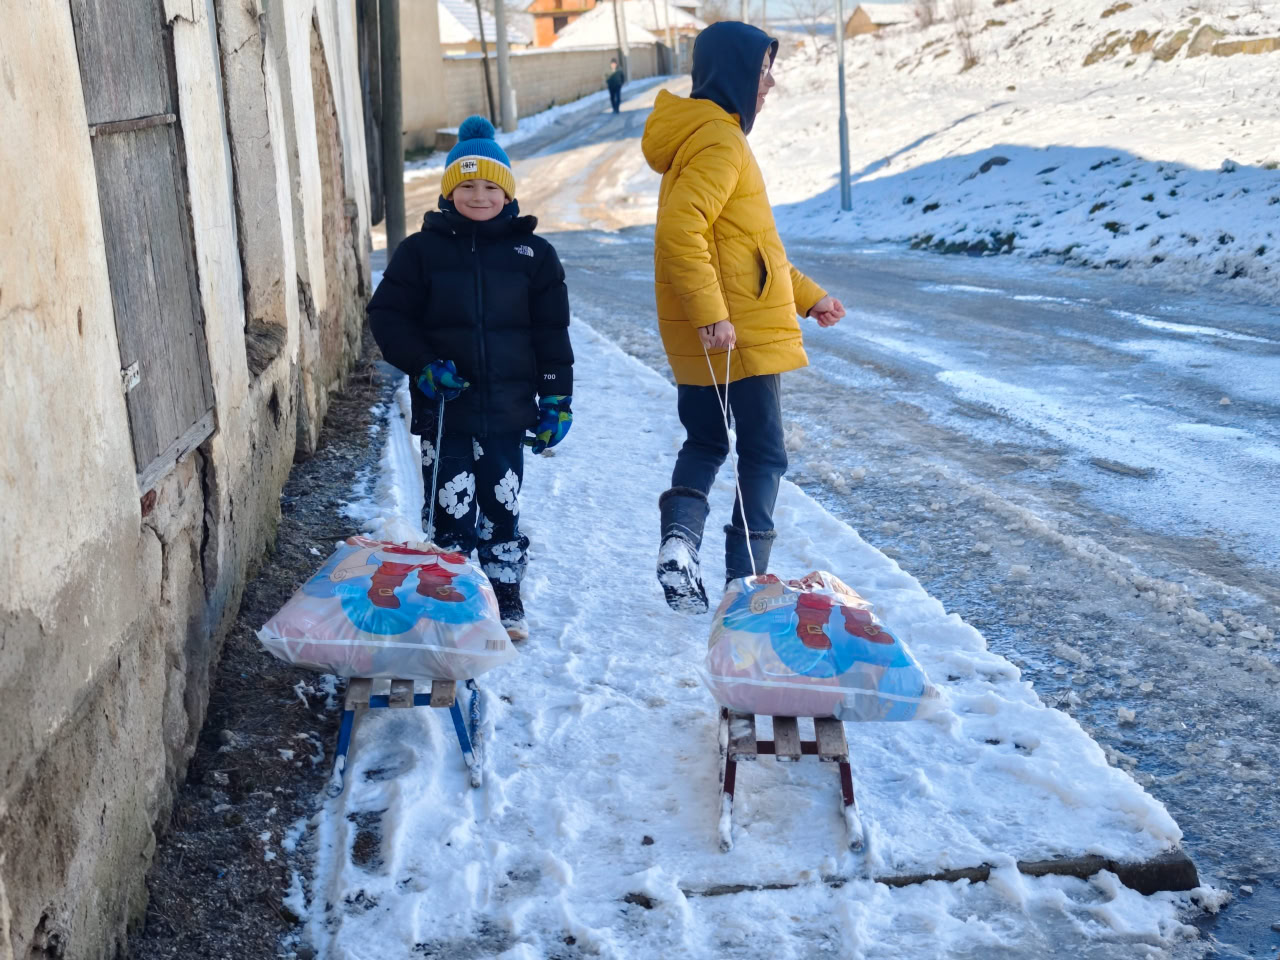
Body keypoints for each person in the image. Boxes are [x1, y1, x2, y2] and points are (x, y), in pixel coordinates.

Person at [641, 22, 846, 613]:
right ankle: (747, 580)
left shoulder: (696, 136)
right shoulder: (722, 141)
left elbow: (749, 248)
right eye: (762, 72)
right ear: (732, 74)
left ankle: (681, 543)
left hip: (709, 329)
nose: (770, 84)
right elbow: (681, 231)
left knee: (706, 441)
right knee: (763, 454)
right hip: (738, 334)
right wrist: (714, 316)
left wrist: (808, 296)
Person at [367, 115, 574, 640]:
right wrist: (422, 365)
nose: (479, 196)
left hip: (508, 411)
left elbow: (552, 333)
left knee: (502, 507)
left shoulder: (535, 257)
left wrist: (556, 399)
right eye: (466, 186)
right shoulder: (421, 252)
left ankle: (505, 595)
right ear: (448, 191)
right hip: (446, 411)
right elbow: (387, 315)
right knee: (449, 509)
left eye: (490, 186)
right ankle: (451, 596)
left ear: (508, 193)